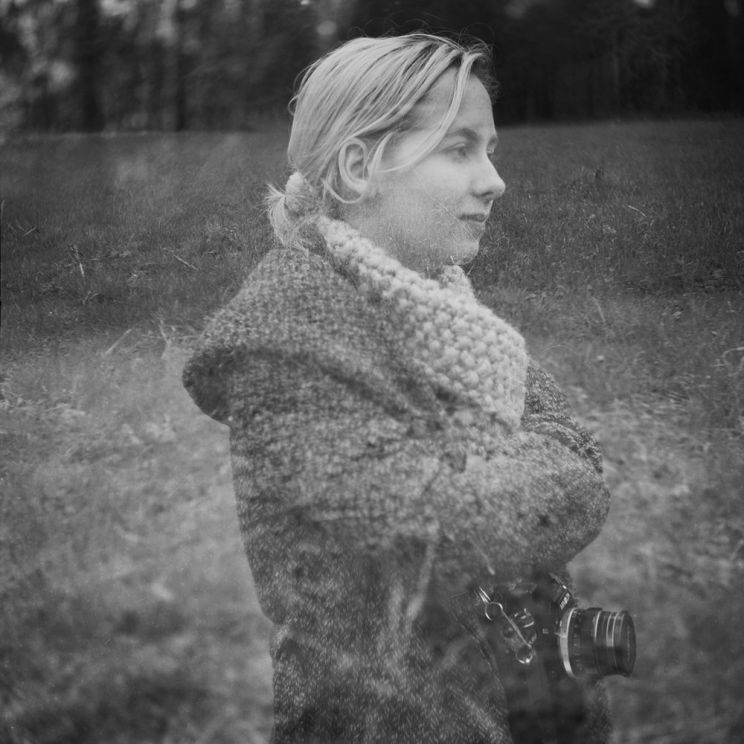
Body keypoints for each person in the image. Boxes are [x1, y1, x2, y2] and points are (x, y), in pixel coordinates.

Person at [183, 33, 612, 744]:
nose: (494, 180)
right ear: (360, 168)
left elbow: (576, 455)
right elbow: (451, 535)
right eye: (459, 149)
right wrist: (547, 473)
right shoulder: (282, 339)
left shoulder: (450, 311)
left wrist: (538, 474)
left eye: (490, 150)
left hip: (526, 698)